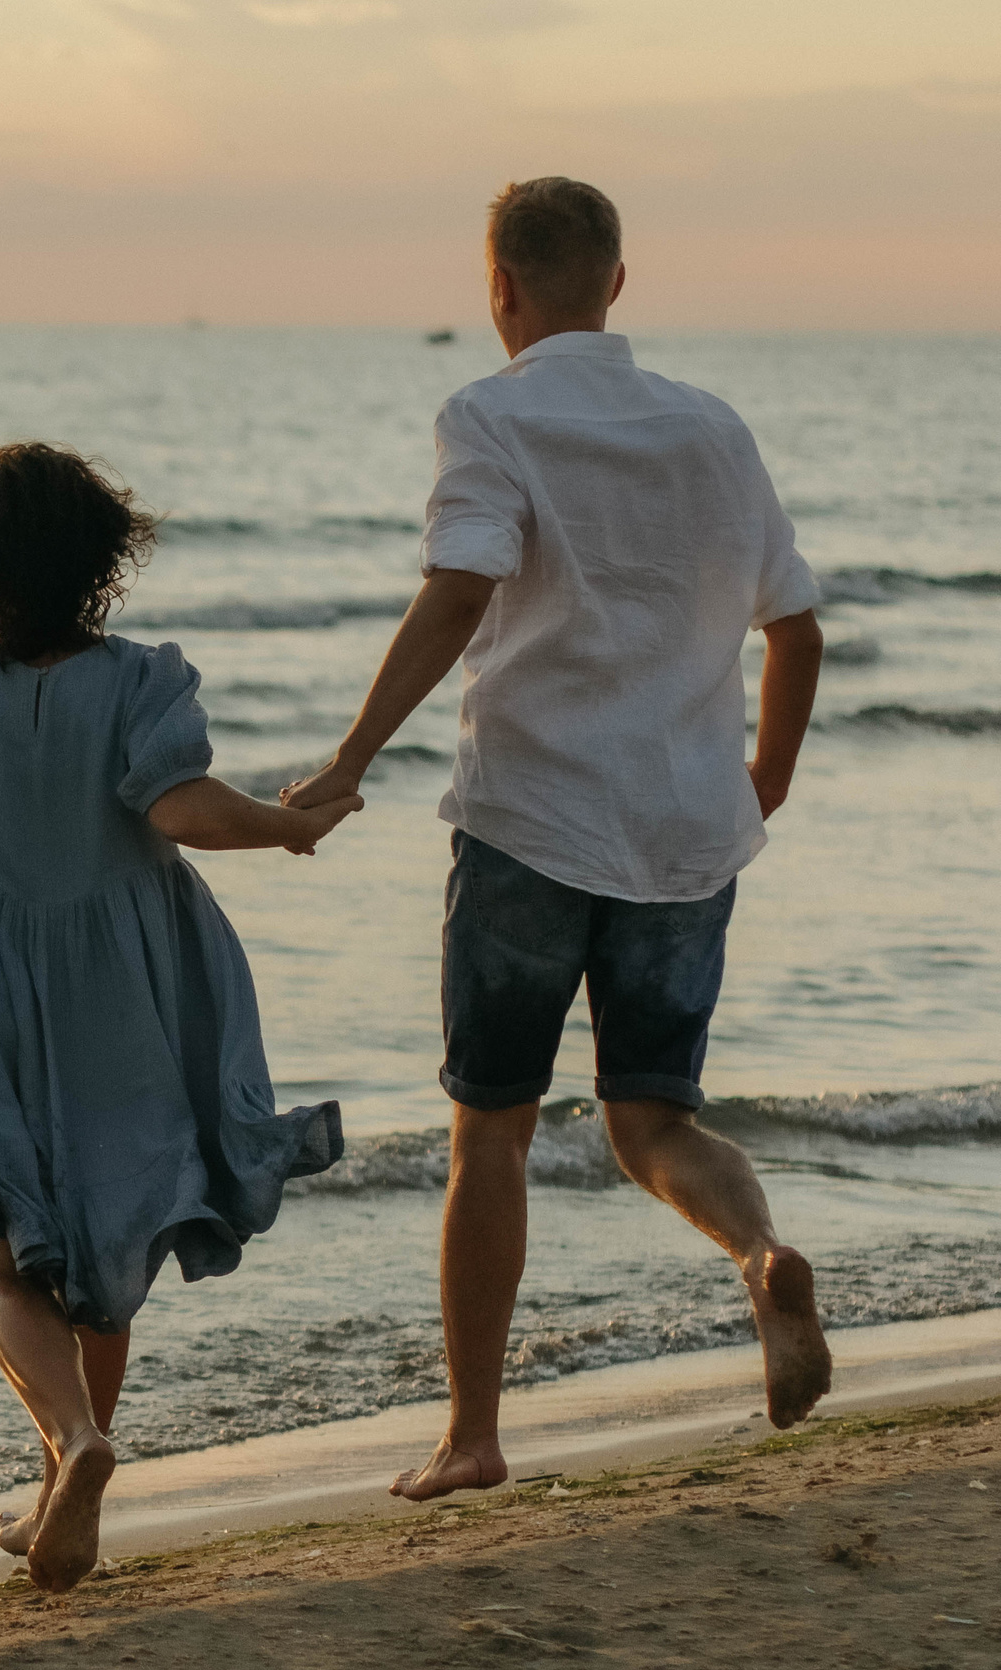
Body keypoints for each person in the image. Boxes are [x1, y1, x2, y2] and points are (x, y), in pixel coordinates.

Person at [281, 177, 834, 1502]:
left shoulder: (490, 412)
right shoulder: (712, 427)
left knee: (494, 1135)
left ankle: (473, 1433)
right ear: (620, 283)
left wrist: (349, 758)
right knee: (654, 1122)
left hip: (533, 822)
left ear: (500, 290)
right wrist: (758, 779)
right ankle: (761, 1257)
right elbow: (797, 624)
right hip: (688, 829)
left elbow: (461, 589)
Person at [0, 442, 359, 1591]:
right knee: (108, 1241)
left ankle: (72, 1449)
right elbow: (181, 812)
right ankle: (73, 1482)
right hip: (127, 982)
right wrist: (287, 825)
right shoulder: (138, 682)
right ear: (101, 558)